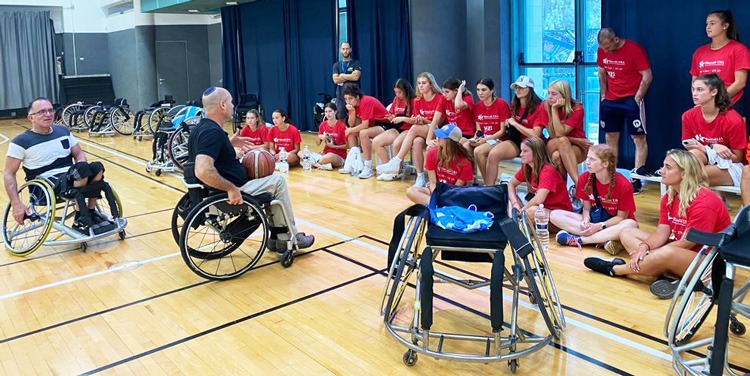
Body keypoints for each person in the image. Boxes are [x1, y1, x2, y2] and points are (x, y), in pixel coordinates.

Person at [584, 150, 730, 299]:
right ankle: (667, 274)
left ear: (684, 174)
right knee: (626, 233)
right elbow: (662, 232)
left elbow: (688, 244)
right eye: (663, 166)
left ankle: (616, 269)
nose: (661, 171)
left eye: (668, 167)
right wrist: (644, 248)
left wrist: (652, 254)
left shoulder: (704, 203)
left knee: (666, 253)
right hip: (681, 250)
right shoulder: (669, 196)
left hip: (711, 263)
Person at [188, 87, 314, 252]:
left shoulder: (201, 128)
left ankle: (278, 237)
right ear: (222, 105)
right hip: (229, 193)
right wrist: (231, 188)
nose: (233, 106)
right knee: (277, 182)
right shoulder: (212, 133)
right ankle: (288, 238)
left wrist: (228, 144)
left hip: (215, 191)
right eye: (231, 102)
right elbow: (202, 170)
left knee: (268, 186)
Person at [4, 97, 117, 235]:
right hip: (48, 184)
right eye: (42, 112)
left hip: (72, 175)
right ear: (31, 117)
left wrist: (82, 164)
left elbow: (79, 154)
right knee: (81, 171)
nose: (48, 114)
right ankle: (81, 216)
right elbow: (9, 174)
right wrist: (16, 203)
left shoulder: (63, 131)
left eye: (50, 110)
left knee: (97, 167)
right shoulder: (20, 142)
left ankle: (90, 212)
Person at [551, 144, 638, 253]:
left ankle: (582, 240)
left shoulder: (624, 185)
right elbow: (586, 209)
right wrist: (585, 220)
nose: (587, 162)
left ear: (605, 164)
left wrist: (599, 226)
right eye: (587, 158)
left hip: (613, 223)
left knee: (631, 224)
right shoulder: (584, 178)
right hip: (595, 219)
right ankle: (604, 239)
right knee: (555, 215)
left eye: (592, 159)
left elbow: (621, 218)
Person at [597, 27, 653, 193]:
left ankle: (636, 179)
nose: (605, 51)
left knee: (638, 138)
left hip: (630, 99)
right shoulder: (602, 51)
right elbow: (601, 73)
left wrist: (637, 97)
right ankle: (610, 176)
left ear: (616, 40)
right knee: (610, 137)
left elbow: (647, 75)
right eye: (602, 49)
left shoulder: (633, 50)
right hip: (610, 100)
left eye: (608, 47)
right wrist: (603, 96)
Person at [377, 72, 446, 188]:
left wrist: (422, 120)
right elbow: (415, 121)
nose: (421, 86)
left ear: (431, 84)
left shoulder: (440, 98)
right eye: (419, 83)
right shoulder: (418, 100)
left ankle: (397, 161)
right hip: (423, 131)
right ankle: (420, 177)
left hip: (438, 131)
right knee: (417, 142)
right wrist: (418, 120)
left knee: (413, 129)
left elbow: (437, 123)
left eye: (424, 83)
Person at [682, 73, 746, 188]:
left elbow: (737, 158)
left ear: (714, 92)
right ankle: (714, 201)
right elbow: (689, 146)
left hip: (731, 165)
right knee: (692, 156)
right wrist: (712, 147)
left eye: (700, 90)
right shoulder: (688, 116)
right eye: (693, 89)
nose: (695, 94)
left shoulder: (733, 120)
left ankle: (714, 202)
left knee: (687, 175)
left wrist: (710, 148)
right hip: (706, 157)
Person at [473, 76, 539, 186]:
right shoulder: (515, 105)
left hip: (530, 143)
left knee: (489, 153)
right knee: (469, 148)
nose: (517, 90)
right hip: (514, 140)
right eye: (516, 87)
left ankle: (489, 187)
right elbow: (479, 130)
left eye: (521, 88)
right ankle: (488, 187)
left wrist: (514, 123)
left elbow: (535, 134)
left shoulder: (537, 107)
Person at [690, 10, 750, 122]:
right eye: (707, 24)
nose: (708, 27)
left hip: (731, 106)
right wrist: (702, 102)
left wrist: (717, 102)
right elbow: (694, 82)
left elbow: (740, 82)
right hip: (705, 109)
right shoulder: (699, 52)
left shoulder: (739, 50)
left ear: (725, 26)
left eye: (712, 23)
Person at [406, 123, 474, 205]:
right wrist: (436, 195)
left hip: (455, 194)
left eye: (441, 136)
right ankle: (436, 204)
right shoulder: (432, 153)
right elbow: (432, 183)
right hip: (437, 190)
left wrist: (444, 197)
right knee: (411, 191)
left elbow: (456, 188)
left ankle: (435, 205)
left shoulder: (464, 162)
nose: (437, 138)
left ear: (449, 142)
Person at [508, 137, 573, 222]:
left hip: (558, 214)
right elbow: (511, 184)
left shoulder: (548, 171)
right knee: (509, 201)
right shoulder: (527, 168)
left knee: (532, 211)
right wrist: (515, 204)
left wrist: (522, 210)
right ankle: (519, 222)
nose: (521, 154)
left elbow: (539, 199)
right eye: (521, 151)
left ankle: (519, 222)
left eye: (525, 151)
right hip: (542, 209)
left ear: (536, 153)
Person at [539, 80, 590, 186]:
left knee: (557, 156)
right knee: (562, 140)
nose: (550, 97)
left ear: (564, 95)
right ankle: (578, 183)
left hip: (577, 148)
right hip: (554, 143)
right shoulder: (545, 106)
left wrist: (575, 141)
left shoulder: (577, 108)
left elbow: (561, 133)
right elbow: (555, 135)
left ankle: (562, 191)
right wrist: (554, 110)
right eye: (548, 93)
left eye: (554, 94)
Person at [341, 83, 390, 179]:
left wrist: (350, 129)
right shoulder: (352, 106)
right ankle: (355, 163)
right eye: (346, 99)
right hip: (373, 126)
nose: (348, 102)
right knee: (351, 134)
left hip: (385, 125)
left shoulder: (365, 101)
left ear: (357, 97)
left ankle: (368, 167)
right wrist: (353, 112)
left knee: (363, 133)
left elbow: (364, 125)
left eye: (350, 98)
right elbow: (351, 124)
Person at [372, 78, 416, 180]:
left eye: (400, 92)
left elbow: (416, 120)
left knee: (396, 143)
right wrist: (390, 117)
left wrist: (402, 118)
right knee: (376, 142)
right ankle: (389, 168)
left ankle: (397, 171)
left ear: (406, 90)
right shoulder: (396, 100)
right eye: (395, 92)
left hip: (409, 129)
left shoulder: (414, 101)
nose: (397, 94)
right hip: (396, 128)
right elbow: (392, 114)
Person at [435, 78, 475, 149]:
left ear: (456, 90)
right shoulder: (444, 99)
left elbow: (458, 105)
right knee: (431, 147)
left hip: (465, 134)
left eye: (447, 92)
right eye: (443, 92)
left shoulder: (467, 98)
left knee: (451, 147)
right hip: (450, 133)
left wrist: (460, 91)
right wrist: (428, 140)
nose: (444, 94)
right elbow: (435, 120)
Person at [332, 41, 362, 120]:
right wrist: (350, 76)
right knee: (341, 117)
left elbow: (356, 77)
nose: (345, 51)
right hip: (340, 97)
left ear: (350, 50)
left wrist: (342, 75)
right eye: (343, 49)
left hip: (353, 95)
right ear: (340, 50)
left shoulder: (356, 63)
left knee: (355, 118)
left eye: (347, 49)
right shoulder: (336, 65)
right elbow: (335, 80)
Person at [315, 103, 347, 170]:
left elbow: (348, 145)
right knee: (301, 153)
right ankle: (323, 164)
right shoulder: (323, 125)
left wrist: (334, 146)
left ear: (335, 112)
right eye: (326, 112)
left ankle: (314, 163)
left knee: (330, 156)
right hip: (325, 154)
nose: (327, 114)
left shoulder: (342, 126)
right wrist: (320, 136)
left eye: (330, 111)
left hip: (339, 156)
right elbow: (317, 144)